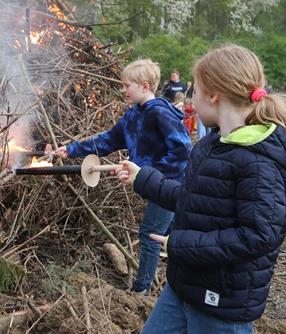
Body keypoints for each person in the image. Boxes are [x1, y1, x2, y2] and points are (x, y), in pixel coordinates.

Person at [116, 44, 286, 334]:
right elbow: (194, 199)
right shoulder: (212, 146)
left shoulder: (258, 162)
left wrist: (180, 244)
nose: (189, 98)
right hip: (185, 286)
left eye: (193, 89)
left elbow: (259, 235)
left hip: (223, 297)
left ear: (213, 94)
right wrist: (142, 178)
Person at [55, 58, 191, 294]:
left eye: (127, 85)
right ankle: (177, 284)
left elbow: (182, 151)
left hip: (172, 184)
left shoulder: (160, 113)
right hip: (154, 183)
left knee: (150, 233)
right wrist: (71, 150)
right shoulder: (133, 116)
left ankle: (142, 290)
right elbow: (107, 140)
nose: (123, 90)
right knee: (168, 233)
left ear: (145, 86)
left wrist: (152, 175)